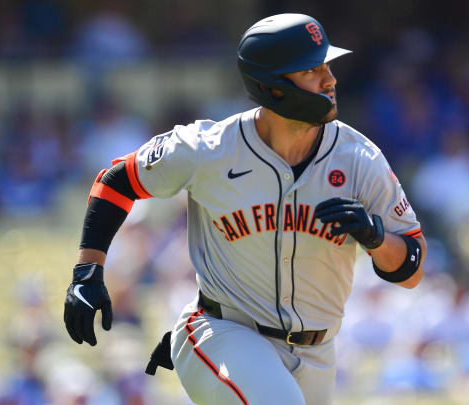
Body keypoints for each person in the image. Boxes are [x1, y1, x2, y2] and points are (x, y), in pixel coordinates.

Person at [64, 13, 426, 405]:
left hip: (317, 353)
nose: (330, 79)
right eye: (312, 69)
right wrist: (87, 271)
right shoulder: (209, 149)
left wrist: (375, 236)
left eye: (328, 65)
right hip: (222, 332)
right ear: (272, 88)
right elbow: (117, 180)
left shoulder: (360, 159)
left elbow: (411, 268)